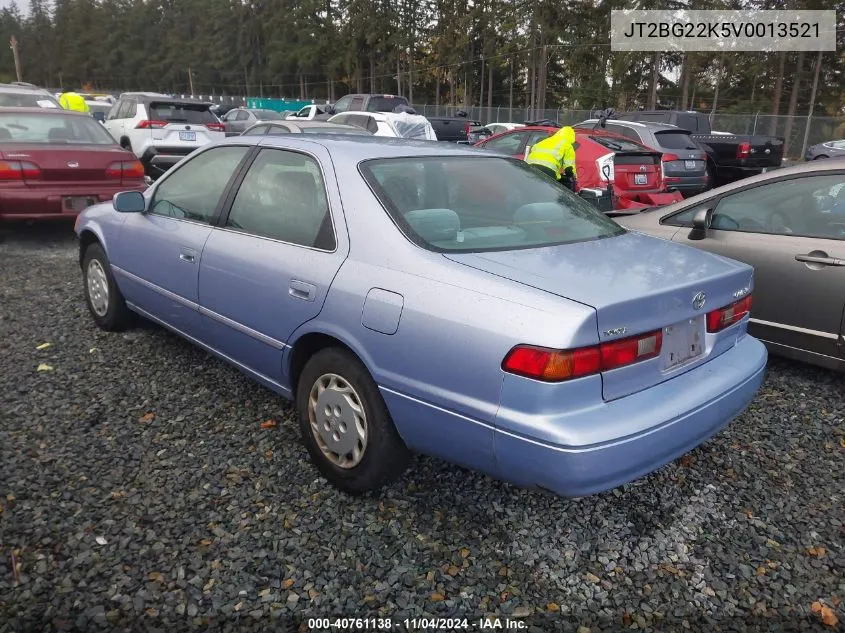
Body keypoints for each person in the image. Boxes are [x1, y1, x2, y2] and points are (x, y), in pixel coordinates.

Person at [526, 126, 577, 190]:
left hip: (530, 168)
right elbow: (569, 168)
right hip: (548, 171)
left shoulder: (545, 141)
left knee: (531, 190)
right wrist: (572, 178)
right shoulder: (567, 145)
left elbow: (533, 149)